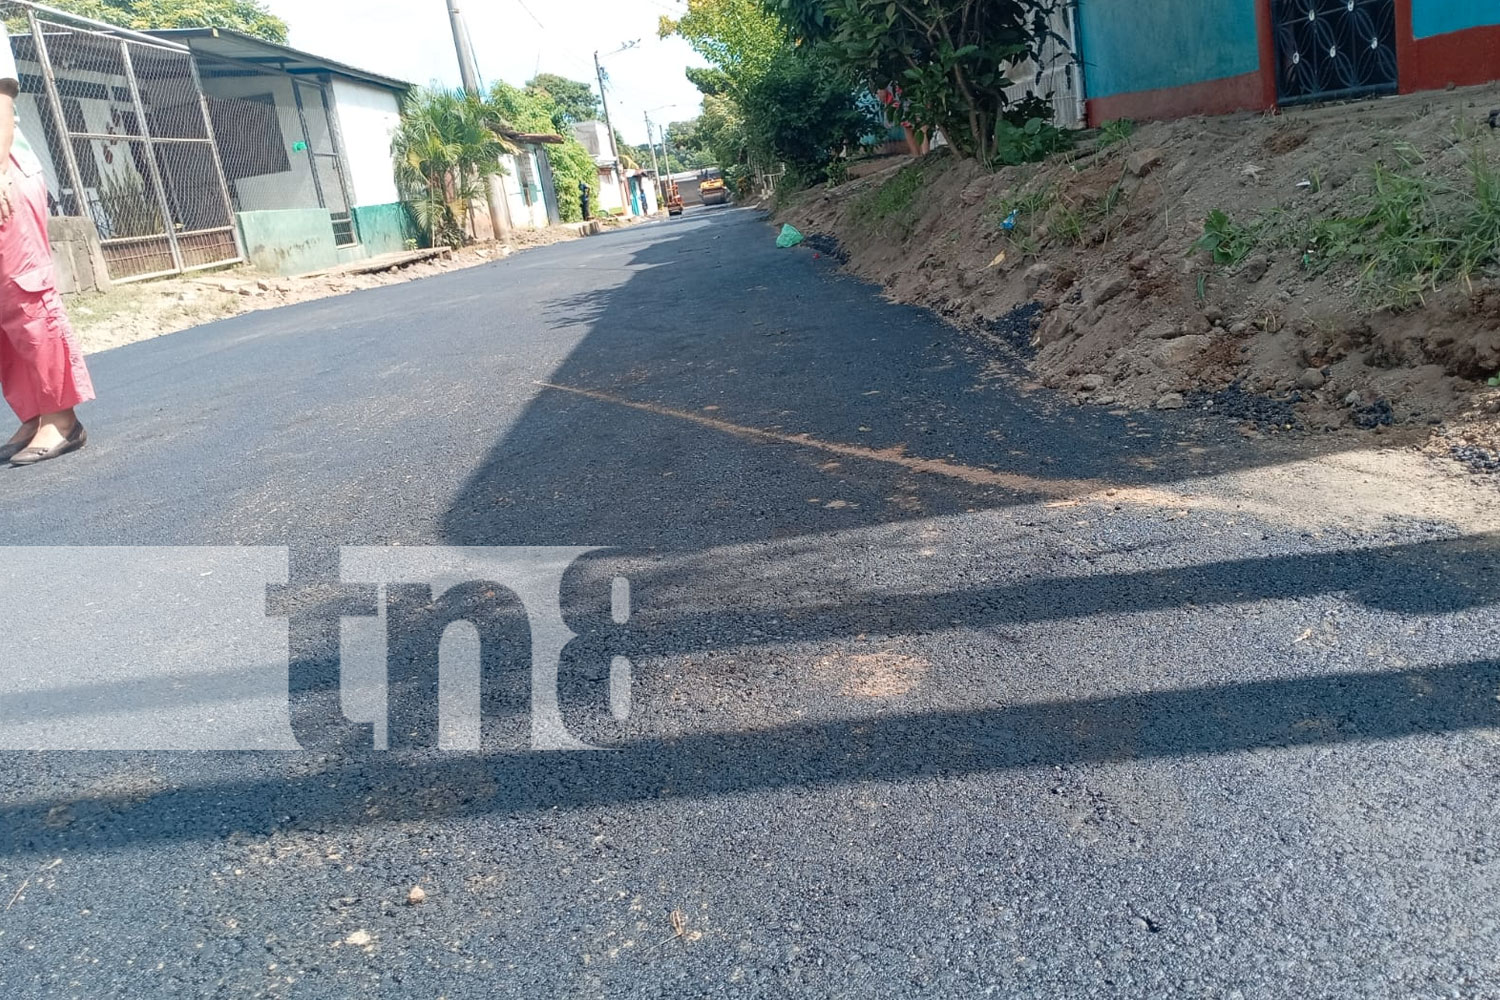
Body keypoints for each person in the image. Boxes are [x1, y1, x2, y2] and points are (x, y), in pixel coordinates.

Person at [0, 24, 94, 467]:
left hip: (3, 173)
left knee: (25, 296)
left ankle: (62, 418)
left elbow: (0, 96)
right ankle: (35, 413)